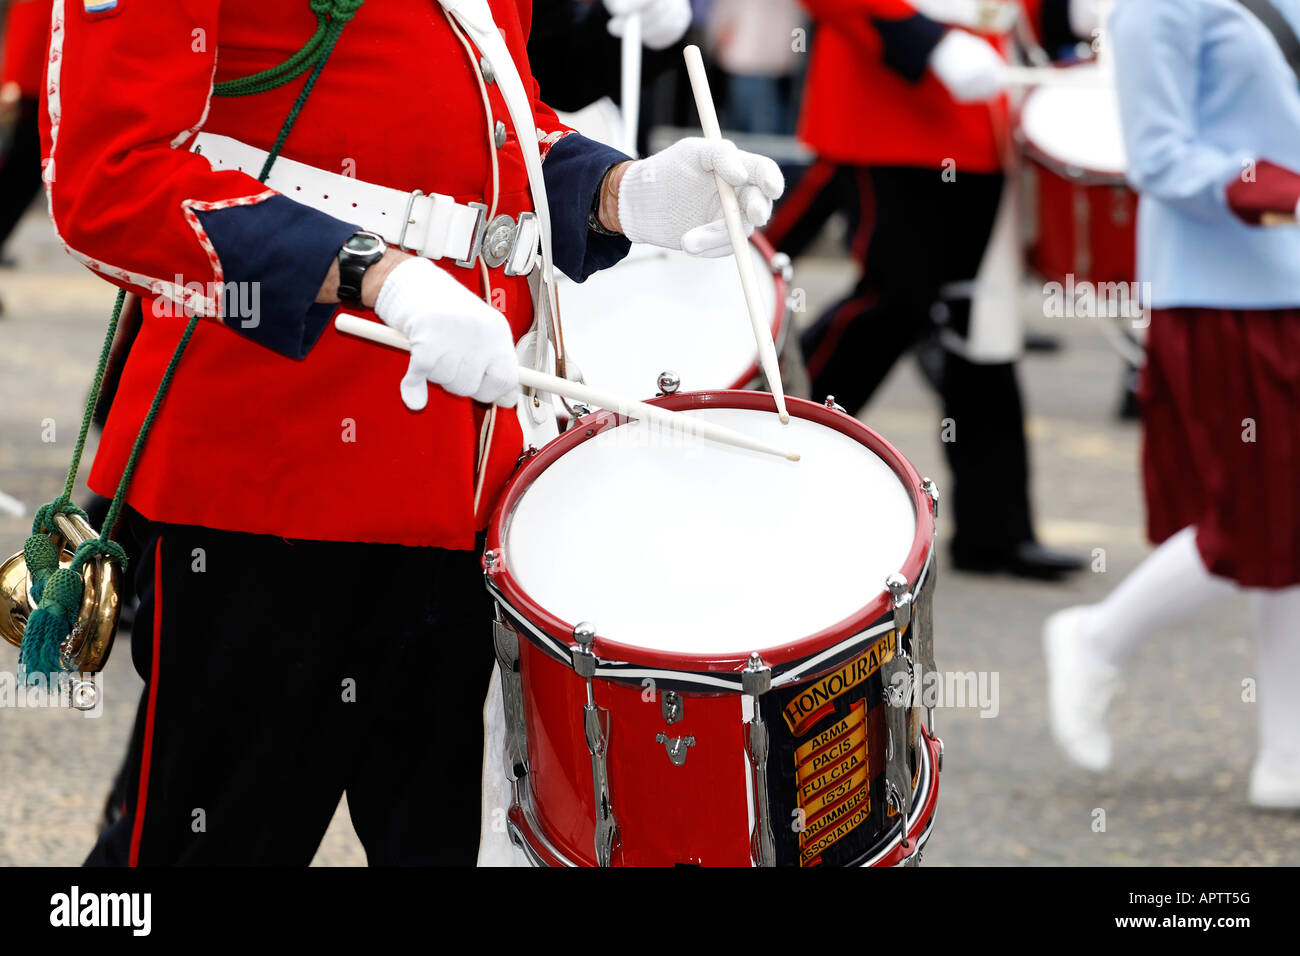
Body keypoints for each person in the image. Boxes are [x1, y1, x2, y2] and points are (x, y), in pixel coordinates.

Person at [40, 0, 781, 865]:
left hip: (460, 481)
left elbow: (488, 130)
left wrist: (624, 193)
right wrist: (374, 275)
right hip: (274, 473)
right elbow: (109, 176)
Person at [1044, 0, 1300, 809]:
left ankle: (1287, 756)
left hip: (1283, 282)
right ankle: (1099, 637)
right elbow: (1159, 158)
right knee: (1259, 521)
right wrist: (1289, 190)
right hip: (1222, 293)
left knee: (1285, 528)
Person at [792, 0, 1098, 579]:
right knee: (892, 303)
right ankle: (764, 433)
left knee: (983, 325)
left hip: (982, 114)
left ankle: (995, 527)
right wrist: (923, 39)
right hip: (891, 110)